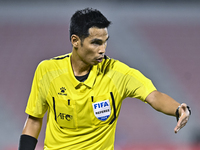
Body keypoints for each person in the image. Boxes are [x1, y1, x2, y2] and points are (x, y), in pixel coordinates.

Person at [18, 8, 191, 150]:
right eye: (96, 43)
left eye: (105, 42)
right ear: (75, 41)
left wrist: (178, 109)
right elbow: (34, 120)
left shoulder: (118, 73)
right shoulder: (47, 71)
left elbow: (153, 96)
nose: (103, 49)